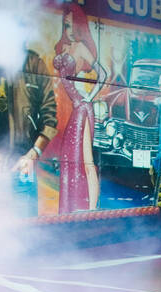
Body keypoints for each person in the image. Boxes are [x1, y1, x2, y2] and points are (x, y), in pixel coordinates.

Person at [0, 47, 58, 216]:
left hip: (21, 165)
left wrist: (33, 153)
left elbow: (50, 118)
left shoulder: (33, 63)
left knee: (26, 229)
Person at [53, 3, 107, 213]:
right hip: (75, 109)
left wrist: (89, 99)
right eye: (65, 26)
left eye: (71, 25)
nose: (68, 30)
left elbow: (103, 74)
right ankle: (71, 207)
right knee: (70, 158)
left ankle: (92, 208)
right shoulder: (65, 48)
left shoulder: (81, 48)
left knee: (86, 159)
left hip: (83, 109)